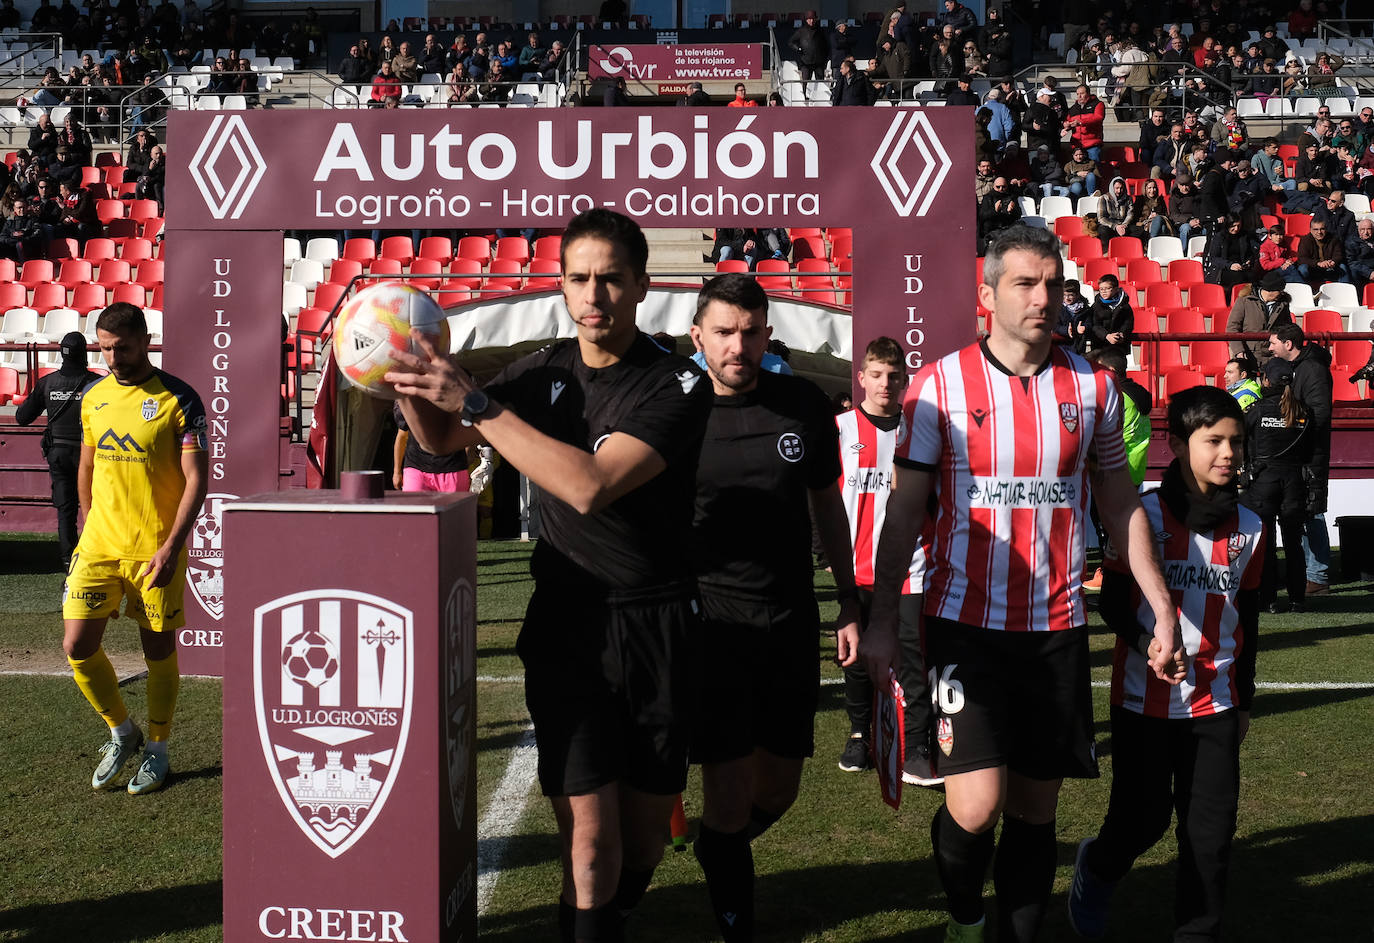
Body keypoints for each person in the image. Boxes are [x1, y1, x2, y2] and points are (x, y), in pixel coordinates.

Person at [387, 209, 712, 942]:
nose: (593, 294)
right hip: (569, 626)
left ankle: (616, 909)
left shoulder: (679, 385)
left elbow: (590, 484)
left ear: (641, 286)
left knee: (643, 840)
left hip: (660, 625)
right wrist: (400, 373)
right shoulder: (541, 372)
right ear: (561, 286)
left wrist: (476, 398)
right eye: (578, 278)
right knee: (591, 845)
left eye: (610, 279)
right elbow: (441, 439)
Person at [860, 225, 1183, 943]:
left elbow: (1121, 501)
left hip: (1057, 628)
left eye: (1054, 285)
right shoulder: (938, 386)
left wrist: (1161, 605)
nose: (1044, 298)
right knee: (976, 807)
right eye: (1025, 284)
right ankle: (966, 916)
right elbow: (905, 509)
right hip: (962, 625)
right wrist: (883, 618)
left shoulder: (1093, 386)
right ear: (987, 294)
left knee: (1037, 811)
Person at [687, 274, 860, 942]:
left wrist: (848, 598)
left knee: (780, 789)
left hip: (789, 621)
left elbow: (826, 504)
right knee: (729, 795)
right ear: (697, 336)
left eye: (751, 330)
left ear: (767, 333)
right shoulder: (674, 409)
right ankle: (736, 919)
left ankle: (715, 847)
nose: (739, 345)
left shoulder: (802, 403)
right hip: (712, 626)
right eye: (725, 331)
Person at [1069, 386, 1262, 942]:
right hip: (1141, 702)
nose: (1229, 453)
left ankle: (1196, 933)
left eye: (1237, 442)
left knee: (1210, 833)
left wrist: (1244, 700)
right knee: (1142, 820)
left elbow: (1247, 618)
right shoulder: (1141, 517)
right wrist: (1146, 640)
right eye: (1214, 441)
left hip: (1216, 703)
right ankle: (1098, 869)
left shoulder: (1251, 525)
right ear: (1176, 444)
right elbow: (1109, 601)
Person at [63, 303, 208, 796]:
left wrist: (172, 547)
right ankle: (123, 733)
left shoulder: (178, 398)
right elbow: (86, 466)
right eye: (105, 348)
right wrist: (86, 522)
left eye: (121, 347)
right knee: (78, 646)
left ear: (146, 340)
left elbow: (197, 479)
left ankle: (159, 748)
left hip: (154, 548)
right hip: (100, 544)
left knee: (157, 651)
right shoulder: (92, 396)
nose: (113, 357)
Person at [835, 336, 940, 786]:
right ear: (861, 378)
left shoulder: (918, 430)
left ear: (904, 379)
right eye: (876, 374)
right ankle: (860, 733)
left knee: (913, 658)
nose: (885, 383)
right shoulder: (839, 429)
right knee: (856, 656)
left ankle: (917, 744)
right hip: (858, 566)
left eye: (894, 375)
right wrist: (828, 554)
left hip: (912, 564)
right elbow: (823, 497)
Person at [14, 331, 100, 570]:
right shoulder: (97, 384)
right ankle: (96, 555)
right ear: (84, 353)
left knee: (66, 509)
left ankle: (68, 559)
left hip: (59, 454)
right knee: (95, 506)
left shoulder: (47, 383)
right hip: (90, 455)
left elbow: (22, 418)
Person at [1267, 324, 1333, 596]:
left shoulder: (1313, 371)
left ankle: (1317, 575)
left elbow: (1320, 413)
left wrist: (1293, 430)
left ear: (1289, 344)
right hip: (1298, 452)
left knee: (1312, 512)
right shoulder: (1298, 369)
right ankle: (1311, 573)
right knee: (1302, 511)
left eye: (1273, 343)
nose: (1269, 348)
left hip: (1309, 453)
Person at [1242, 358, 1310, 612]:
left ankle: (1268, 598)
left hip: (1263, 481)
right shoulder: (1303, 410)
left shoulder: (1257, 410)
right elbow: (1309, 449)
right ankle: (1297, 599)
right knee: (1294, 542)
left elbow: (1241, 440)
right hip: (1294, 480)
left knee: (1266, 543)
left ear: (1266, 380)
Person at [1226, 270, 1293, 366]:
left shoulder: (1283, 305)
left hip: (1273, 355)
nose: (1282, 293)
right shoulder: (1244, 301)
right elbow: (1232, 327)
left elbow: (1287, 328)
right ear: (1270, 290)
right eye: (1280, 290)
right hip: (1248, 354)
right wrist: (1239, 351)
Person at [1296, 219, 1348, 286]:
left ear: (1326, 229)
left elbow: (1339, 254)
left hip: (1330, 268)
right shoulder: (1305, 240)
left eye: (1322, 229)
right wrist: (1318, 263)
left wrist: (1333, 261)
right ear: (1311, 230)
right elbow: (1302, 258)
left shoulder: (1333, 238)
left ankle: (1345, 291)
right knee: (1303, 268)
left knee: (1343, 267)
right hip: (1313, 269)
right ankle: (1304, 291)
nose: (1319, 232)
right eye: (1316, 229)